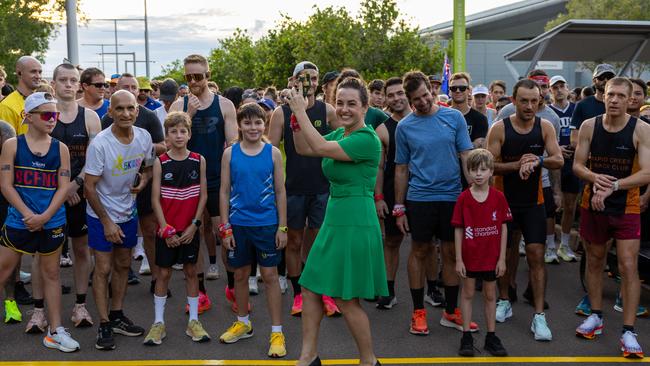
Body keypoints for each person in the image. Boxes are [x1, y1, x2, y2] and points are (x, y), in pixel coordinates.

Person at [285, 75, 385, 366]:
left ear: (365, 107)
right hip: (334, 217)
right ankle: (308, 355)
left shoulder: (366, 139)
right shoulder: (341, 134)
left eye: (352, 104)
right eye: (339, 102)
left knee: (345, 299)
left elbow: (317, 147)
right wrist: (295, 116)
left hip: (355, 220)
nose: (344, 109)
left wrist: (300, 111)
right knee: (311, 287)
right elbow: (304, 147)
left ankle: (369, 361)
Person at [573, 78, 650, 359]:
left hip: (625, 204)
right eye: (610, 94)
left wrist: (613, 186)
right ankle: (595, 315)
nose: (614, 100)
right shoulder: (589, 126)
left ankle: (628, 330)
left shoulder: (641, 129)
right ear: (603, 96)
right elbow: (578, 165)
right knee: (594, 259)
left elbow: (647, 173)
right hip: (592, 203)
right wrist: (595, 179)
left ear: (631, 100)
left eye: (620, 95)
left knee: (629, 265)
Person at [394, 71, 476, 336]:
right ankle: (418, 312)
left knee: (452, 254)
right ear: (409, 100)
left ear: (432, 91)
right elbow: (401, 169)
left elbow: (466, 156)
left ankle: (451, 311)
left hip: (452, 196)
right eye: (417, 99)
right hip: (420, 198)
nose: (424, 102)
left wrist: (474, 194)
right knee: (419, 251)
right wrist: (399, 207)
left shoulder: (453, 117)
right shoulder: (405, 126)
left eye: (427, 95)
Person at [0, 91, 79, 352]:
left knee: (52, 274)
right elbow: (6, 185)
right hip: (19, 220)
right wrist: (27, 214)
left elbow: (63, 187)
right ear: (29, 117)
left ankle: (55, 331)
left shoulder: (61, 148)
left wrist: (45, 216)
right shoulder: (12, 145)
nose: (52, 119)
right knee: (3, 270)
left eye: (55, 114)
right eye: (46, 114)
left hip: (51, 221)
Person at [487, 78, 563, 341]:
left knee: (535, 255)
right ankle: (505, 300)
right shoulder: (499, 128)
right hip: (504, 202)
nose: (530, 106)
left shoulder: (544, 127)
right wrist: (519, 164)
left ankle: (539, 316)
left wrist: (539, 160)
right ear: (514, 101)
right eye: (524, 101)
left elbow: (558, 159)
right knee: (505, 255)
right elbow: (489, 166)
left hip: (534, 202)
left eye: (534, 101)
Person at [268, 61, 339, 317]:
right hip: (293, 188)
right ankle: (299, 294)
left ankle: (324, 292)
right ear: (294, 80)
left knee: (320, 242)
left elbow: (341, 145)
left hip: (322, 187)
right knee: (295, 241)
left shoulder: (327, 110)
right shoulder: (281, 113)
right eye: (304, 77)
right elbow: (272, 152)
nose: (309, 81)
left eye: (314, 77)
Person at [218, 103, 287, 358]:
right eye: (247, 123)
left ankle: (277, 331)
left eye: (257, 122)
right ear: (239, 125)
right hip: (239, 224)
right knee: (240, 275)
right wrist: (225, 228)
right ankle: (243, 322)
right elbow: (224, 191)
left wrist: (282, 226)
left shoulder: (273, 153)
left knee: (269, 277)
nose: (253, 127)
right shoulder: (230, 153)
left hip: (267, 224)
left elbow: (281, 191)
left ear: (264, 124)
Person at [169, 54, 238, 313]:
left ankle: (232, 288)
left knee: (224, 232)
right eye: (189, 77)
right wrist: (189, 113)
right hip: (188, 180)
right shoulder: (179, 104)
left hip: (218, 179)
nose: (194, 81)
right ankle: (200, 293)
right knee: (193, 235)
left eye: (198, 76)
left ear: (208, 75)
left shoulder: (225, 105)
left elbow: (232, 144)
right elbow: (173, 141)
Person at [85, 90, 154, 350]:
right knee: (102, 269)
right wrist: (106, 222)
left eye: (131, 108)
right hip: (100, 213)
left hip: (127, 211)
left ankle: (116, 315)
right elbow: (89, 188)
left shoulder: (144, 137)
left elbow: (148, 165)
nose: (126, 113)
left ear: (137, 110)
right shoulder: (101, 144)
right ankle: (103, 324)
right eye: (120, 109)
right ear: (110, 112)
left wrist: (144, 180)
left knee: (124, 264)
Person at [144, 111, 210, 345]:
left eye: (183, 131)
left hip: (189, 229)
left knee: (191, 272)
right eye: (174, 131)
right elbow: (155, 199)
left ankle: (193, 321)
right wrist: (166, 229)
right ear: (167, 135)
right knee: (163, 274)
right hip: (168, 230)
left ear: (189, 134)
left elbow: (203, 195)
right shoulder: (161, 162)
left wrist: (195, 225)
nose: (179, 135)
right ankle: (158, 323)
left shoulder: (198, 160)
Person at [49, 63, 101, 329]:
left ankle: (80, 306)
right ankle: (41, 309)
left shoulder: (90, 117)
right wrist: (63, 188)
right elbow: (40, 156)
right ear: (54, 84)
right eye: (63, 80)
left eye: (73, 80)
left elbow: (95, 160)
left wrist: (75, 184)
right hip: (52, 196)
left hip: (80, 194)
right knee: (47, 255)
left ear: (79, 85)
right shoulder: (45, 115)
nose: (68, 84)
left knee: (82, 250)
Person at [452, 149, 510, 357]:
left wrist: (502, 258)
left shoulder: (499, 198)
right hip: (470, 256)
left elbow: (503, 227)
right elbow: (458, 228)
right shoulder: (463, 199)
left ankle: (491, 336)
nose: (478, 174)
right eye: (474, 169)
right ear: (468, 172)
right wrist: (459, 259)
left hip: (491, 256)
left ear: (491, 172)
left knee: (490, 295)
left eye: (483, 170)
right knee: (467, 294)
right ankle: (466, 335)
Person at [570, 64, 616, 316]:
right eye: (602, 78)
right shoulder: (584, 107)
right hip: (590, 178)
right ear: (595, 80)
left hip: (620, 184)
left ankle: (619, 292)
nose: (605, 81)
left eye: (610, 78)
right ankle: (590, 292)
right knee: (592, 241)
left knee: (619, 245)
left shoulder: (627, 112)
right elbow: (576, 141)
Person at [548, 75, 579, 263]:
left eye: (562, 86)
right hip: (553, 162)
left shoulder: (576, 110)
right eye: (555, 87)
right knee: (551, 206)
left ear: (568, 88)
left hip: (573, 162)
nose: (559, 90)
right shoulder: (548, 112)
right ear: (550, 91)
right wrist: (556, 148)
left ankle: (564, 245)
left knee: (570, 205)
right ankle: (550, 246)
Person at [0, 56, 43, 134]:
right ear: (19, 73)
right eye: (33, 72)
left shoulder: (44, 102)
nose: (38, 76)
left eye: (40, 72)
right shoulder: (7, 106)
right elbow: (7, 143)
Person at [450, 73, 488, 149]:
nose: (458, 91)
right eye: (453, 88)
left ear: (468, 91)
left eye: (462, 88)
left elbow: (478, 145)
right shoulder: (442, 116)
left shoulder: (480, 119)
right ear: (450, 91)